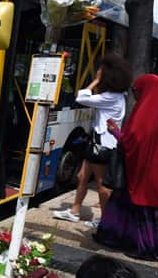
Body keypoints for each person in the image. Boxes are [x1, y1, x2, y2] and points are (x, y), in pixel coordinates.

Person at [94, 74, 158, 262]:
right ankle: (149, 245)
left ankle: (145, 248)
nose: (134, 95)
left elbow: (131, 143)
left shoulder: (143, 114)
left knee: (137, 207)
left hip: (142, 174)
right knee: (150, 210)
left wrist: (115, 131)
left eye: (136, 90)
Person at [54, 53, 132, 228]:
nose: (98, 73)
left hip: (102, 146)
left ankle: (106, 221)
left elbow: (81, 98)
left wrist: (95, 81)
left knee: (101, 185)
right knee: (82, 176)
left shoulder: (111, 97)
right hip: (96, 142)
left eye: (101, 72)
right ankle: (74, 211)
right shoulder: (117, 95)